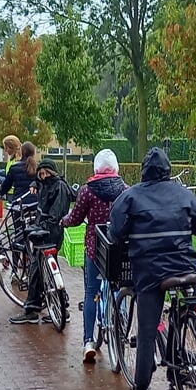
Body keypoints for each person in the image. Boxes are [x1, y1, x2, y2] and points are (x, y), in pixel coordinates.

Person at [108, 147, 196, 390]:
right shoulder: (183, 194)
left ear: (144, 171)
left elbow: (116, 231)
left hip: (151, 274)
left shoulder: (131, 196)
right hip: (186, 267)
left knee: (146, 333)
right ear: (168, 170)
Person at [60, 149, 128, 363]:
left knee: (92, 292)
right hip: (119, 248)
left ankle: (88, 341)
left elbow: (75, 218)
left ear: (96, 168)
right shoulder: (125, 190)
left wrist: (63, 220)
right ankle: (122, 324)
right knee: (120, 286)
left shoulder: (88, 191)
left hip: (95, 248)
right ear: (116, 168)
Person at [9, 158, 74, 325]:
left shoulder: (58, 187)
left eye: (46, 173)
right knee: (48, 268)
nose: (43, 176)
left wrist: (39, 227)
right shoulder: (47, 184)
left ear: (52, 172)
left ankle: (31, 308)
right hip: (45, 230)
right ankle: (61, 305)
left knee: (36, 268)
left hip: (48, 233)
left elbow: (55, 214)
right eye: (41, 173)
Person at [0, 140, 38, 206]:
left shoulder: (14, 167)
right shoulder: (38, 168)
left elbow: (6, 185)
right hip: (35, 203)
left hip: (19, 202)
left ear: (22, 152)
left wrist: (0, 193)